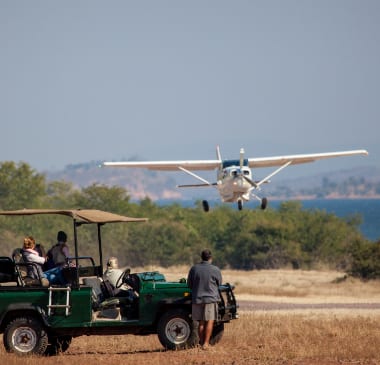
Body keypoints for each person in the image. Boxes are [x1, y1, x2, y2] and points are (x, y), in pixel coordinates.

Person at [187, 249, 222, 350]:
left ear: (201, 257)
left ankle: (201, 343)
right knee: (209, 321)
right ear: (211, 258)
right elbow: (219, 284)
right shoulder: (215, 269)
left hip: (197, 299)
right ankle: (206, 344)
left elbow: (189, 284)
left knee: (201, 322)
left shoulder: (194, 269)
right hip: (210, 299)